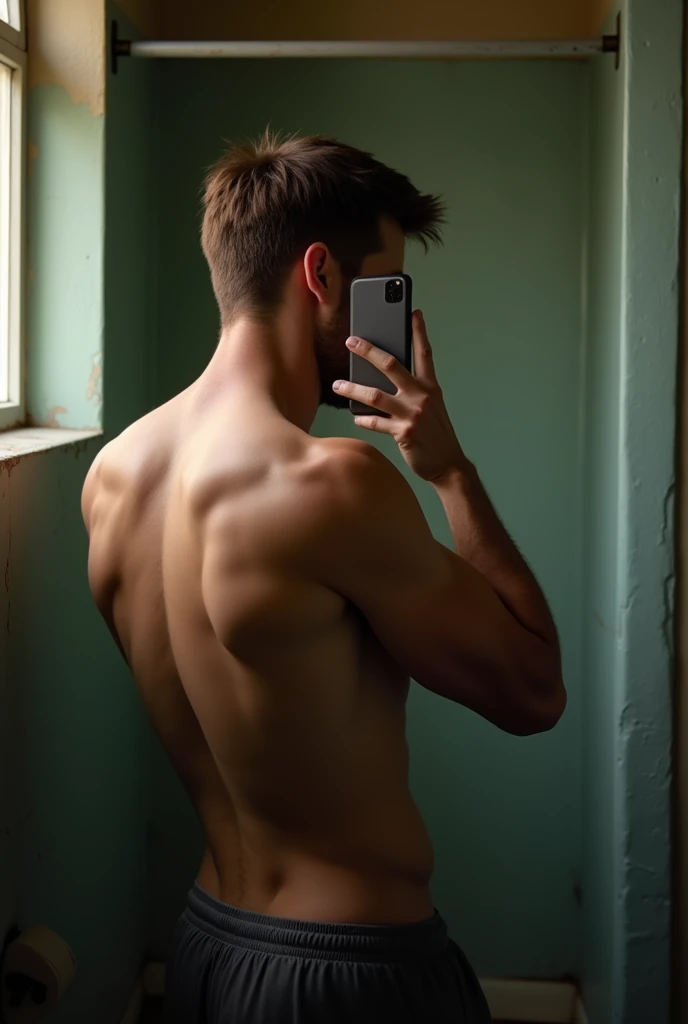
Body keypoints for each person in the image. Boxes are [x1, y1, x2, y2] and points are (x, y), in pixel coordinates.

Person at [82, 131, 566, 1023]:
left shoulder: (112, 477)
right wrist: (451, 472)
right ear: (321, 276)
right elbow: (534, 690)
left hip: (206, 950)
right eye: (388, 285)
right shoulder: (329, 485)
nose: (396, 311)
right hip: (348, 976)